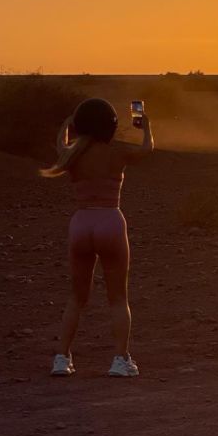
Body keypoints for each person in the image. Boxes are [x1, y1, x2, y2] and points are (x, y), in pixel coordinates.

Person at [40, 98, 153, 377]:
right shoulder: (117, 153)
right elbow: (147, 149)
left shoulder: (72, 156)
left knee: (77, 297)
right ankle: (120, 358)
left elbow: (60, 146)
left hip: (81, 222)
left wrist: (65, 127)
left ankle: (61, 357)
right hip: (110, 220)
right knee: (117, 297)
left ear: (80, 126)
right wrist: (145, 126)